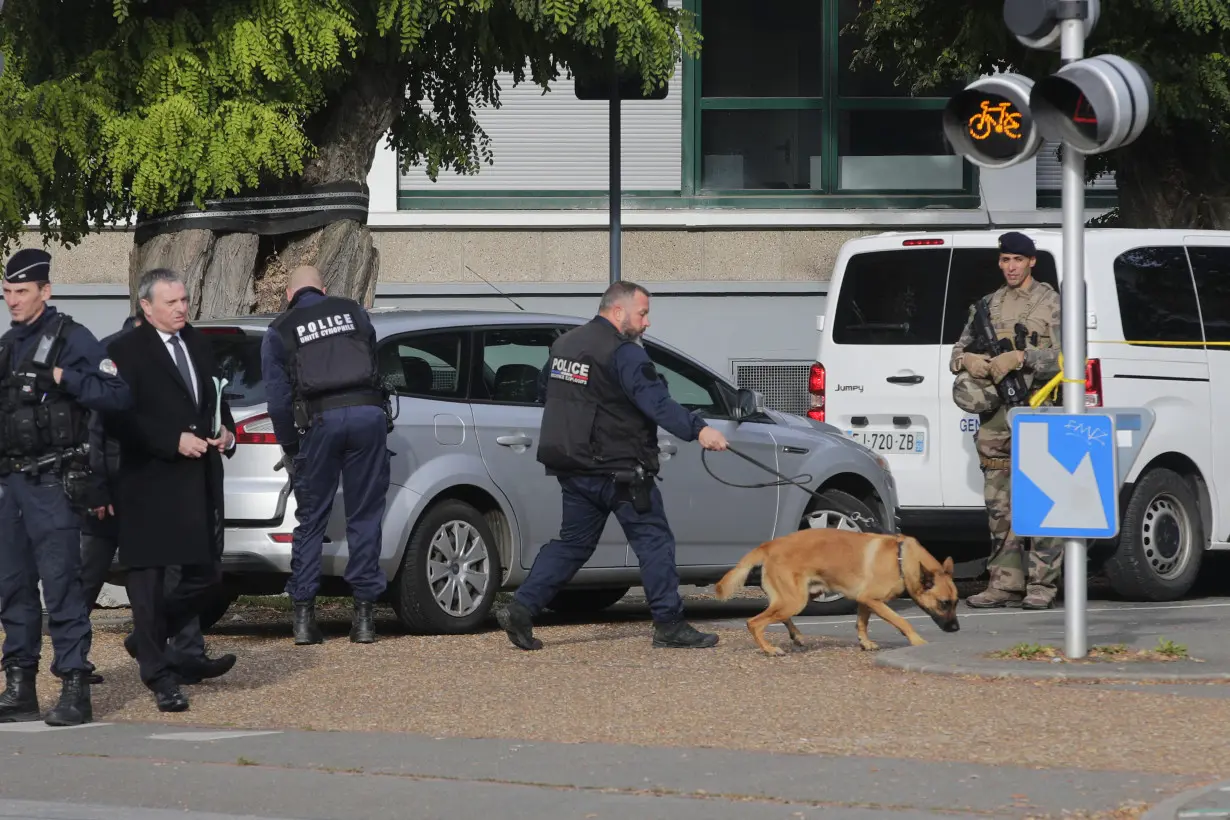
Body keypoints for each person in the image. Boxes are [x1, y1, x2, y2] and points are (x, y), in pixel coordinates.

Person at [495, 280, 729, 651]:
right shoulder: (626, 353)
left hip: (574, 467)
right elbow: (657, 403)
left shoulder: (565, 345)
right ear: (618, 311)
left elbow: (546, 392)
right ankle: (669, 625)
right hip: (621, 470)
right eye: (643, 313)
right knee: (654, 542)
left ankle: (522, 608)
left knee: (572, 544)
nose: (647, 323)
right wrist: (699, 430)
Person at [0, 248, 131, 726]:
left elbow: (118, 395)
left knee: (61, 588)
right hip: (12, 485)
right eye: (8, 291)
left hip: (54, 483)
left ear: (45, 291)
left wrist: (61, 376)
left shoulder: (73, 339)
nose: (12, 300)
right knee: (11, 587)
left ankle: (75, 686)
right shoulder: (8, 345)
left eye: (22, 291)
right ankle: (19, 686)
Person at [103, 267, 237, 713]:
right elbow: (119, 418)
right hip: (147, 482)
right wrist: (170, 439)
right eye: (172, 302)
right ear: (146, 306)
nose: (182, 308)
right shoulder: (124, 351)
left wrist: (227, 432)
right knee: (148, 582)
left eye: (183, 300)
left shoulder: (196, 342)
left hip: (196, 483)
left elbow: (216, 397)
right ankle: (161, 678)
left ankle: (146, 637)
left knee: (206, 576)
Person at [260, 266, 389, 645]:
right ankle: (364, 619)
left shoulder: (281, 330)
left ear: (288, 295)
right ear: (324, 288)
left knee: (311, 517)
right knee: (364, 515)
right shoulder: (354, 311)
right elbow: (374, 362)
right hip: (368, 417)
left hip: (320, 423)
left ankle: (303, 618)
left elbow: (278, 401)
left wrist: (290, 447)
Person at [949, 231, 1063, 609]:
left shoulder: (1052, 304)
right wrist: (968, 361)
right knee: (1000, 505)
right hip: (996, 418)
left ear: (1032, 261)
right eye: (1004, 260)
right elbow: (958, 352)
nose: (1010, 267)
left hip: (1040, 408)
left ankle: (1042, 585)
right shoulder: (986, 305)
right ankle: (1004, 582)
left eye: (1017, 260)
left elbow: (1070, 359)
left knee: (1042, 498)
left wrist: (1022, 358)